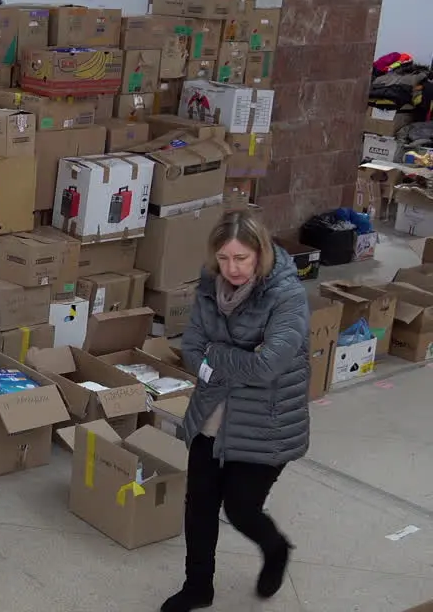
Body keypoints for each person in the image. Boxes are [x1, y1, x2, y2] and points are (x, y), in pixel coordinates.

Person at [162, 210, 308, 612]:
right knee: (200, 506)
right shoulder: (210, 286)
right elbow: (191, 347)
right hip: (211, 414)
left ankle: (276, 549)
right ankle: (197, 586)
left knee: (241, 509)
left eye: (241, 259)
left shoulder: (287, 297)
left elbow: (268, 367)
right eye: (224, 259)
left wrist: (217, 355)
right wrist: (227, 359)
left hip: (266, 422)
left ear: (260, 254)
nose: (232, 268)